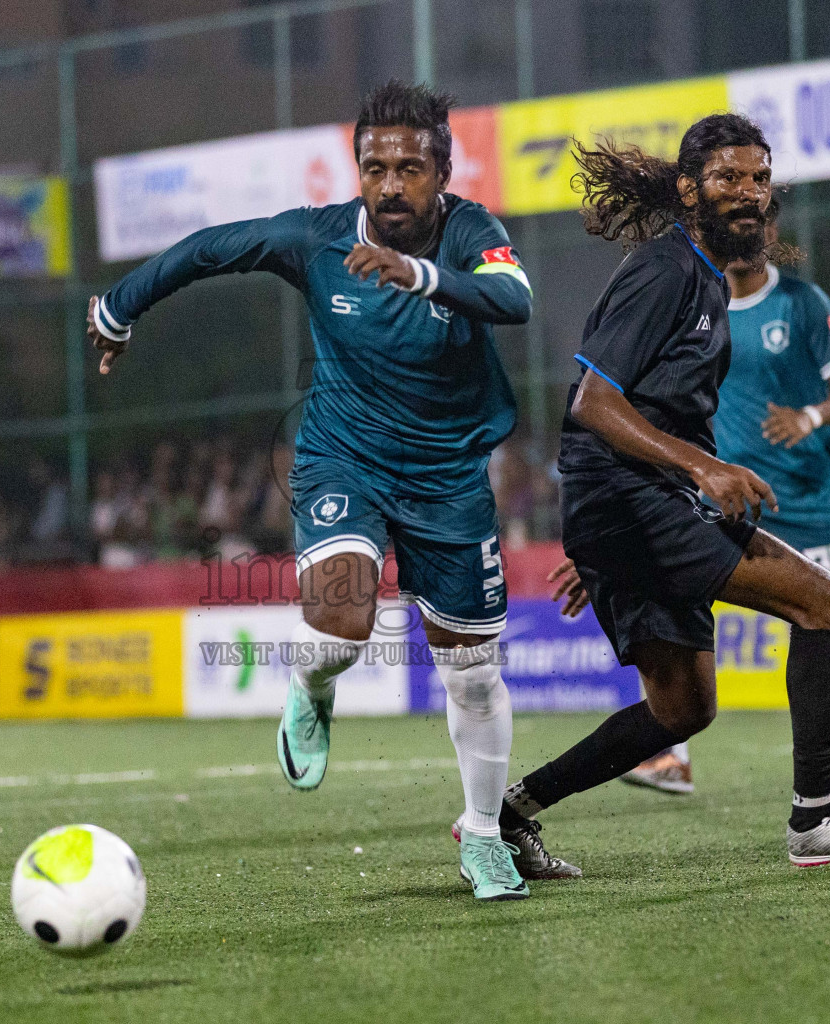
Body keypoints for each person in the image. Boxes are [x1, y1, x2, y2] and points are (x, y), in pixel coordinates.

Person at [89, 81, 537, 901]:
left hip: (447, 476)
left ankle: (482, 838)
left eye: (410, 166)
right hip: (343, 456)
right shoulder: (317, 240)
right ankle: (312, 684)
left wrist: (419, 274)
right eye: (375, 166)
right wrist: (119, 306)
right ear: (356, 170)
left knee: (472, 673)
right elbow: (208, 249)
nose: (391, 183)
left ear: (443, 169)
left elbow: (515, 299)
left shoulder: (473, 231)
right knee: (342, 620)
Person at [485, 114, 830, 870]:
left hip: (624, 512)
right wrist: (699, 470)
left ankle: (507, 815)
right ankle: (814, 820)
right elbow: (593, 400)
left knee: (684, 709)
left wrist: (603, 547)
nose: (749, 193)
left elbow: (650, 405)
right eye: (728, 179)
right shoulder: (666, 269)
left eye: (759, 178)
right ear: (688, 190)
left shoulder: (705, 278)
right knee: (822, 603)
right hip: (636, 502)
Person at [621, 197, 830, 797]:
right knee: (669, 607)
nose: (751, 228)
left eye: (762, 218)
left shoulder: (802, 302)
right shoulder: (695, 310)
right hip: (727, 501)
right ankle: (670, 755)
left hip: (808, 501)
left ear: (771, 229)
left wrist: (811, 416)